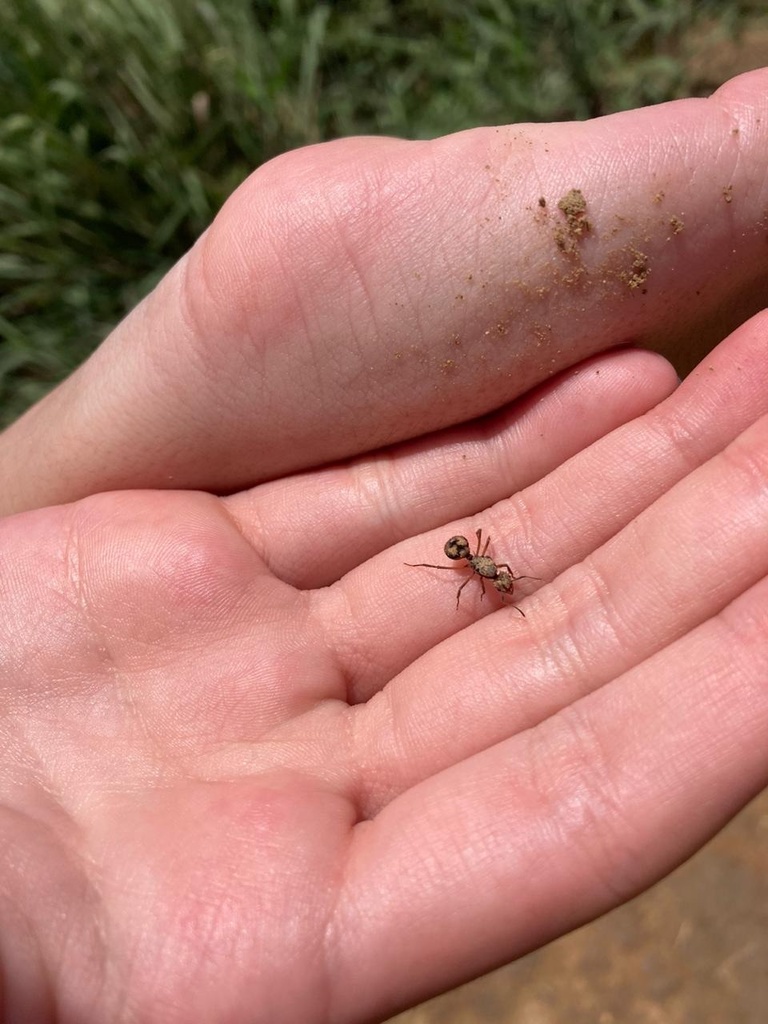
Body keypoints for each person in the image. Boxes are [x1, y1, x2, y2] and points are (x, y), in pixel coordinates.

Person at [1, 68, 767, 1024]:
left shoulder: (483, 560)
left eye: (480, 571)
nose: (481, 575)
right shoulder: (467, 568)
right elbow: (467, 570)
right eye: (479, 571)